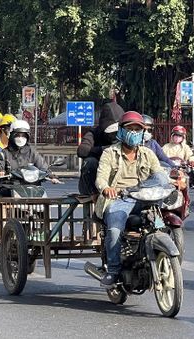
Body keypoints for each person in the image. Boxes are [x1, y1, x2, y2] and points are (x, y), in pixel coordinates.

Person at [95, 111, 166, 287]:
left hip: (143, 198)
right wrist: (106, 188)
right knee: (114, 231)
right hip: (118, 200)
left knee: (161, 224)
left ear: (143, 133)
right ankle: (113, 270)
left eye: (138, 129)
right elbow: (101, 178)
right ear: (121, 131)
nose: (134, 132)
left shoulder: (148, 153)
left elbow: (160, 175)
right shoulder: (109, 153)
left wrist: (174, 181)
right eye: (130, 129)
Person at [77, 102, 124, 195]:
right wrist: (105, 149)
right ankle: (93, 194)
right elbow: (81, 150)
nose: (114, 135)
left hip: (118, 183)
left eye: (116, 132)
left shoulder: (125, 134)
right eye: (111, 132)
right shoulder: (94, 133)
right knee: (90, 162)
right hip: (92, 184)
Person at [0, 119, 61, 183]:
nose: (20, 138)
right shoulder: (5, 152)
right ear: (12, 136)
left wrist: (52, 176)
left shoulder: (32, 152)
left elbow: (43, 167)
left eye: (23, 136)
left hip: (32, 185)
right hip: (10, 185)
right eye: (17, 135)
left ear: (27, 137)